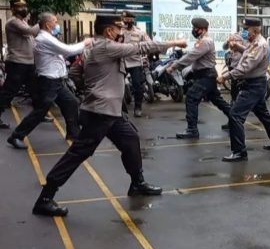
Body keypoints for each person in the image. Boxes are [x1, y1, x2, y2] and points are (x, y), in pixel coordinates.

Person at [31, 15, 187, 217]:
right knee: (78, 153)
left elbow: (77, 73)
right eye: (118, 29)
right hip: (100, 113)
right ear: (108, 31)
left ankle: (137, 183)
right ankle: (45, 198)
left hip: (111, 111)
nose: (121, 32)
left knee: (130, 139)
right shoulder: (105, 47)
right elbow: (140, 48)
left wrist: (92, 87)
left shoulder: (94, 48)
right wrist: (175, 42)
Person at [7, 13, 91, 149]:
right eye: (55, 21)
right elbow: (68, 50)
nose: (57, 24)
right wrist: (85, 43)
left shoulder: (48, 38)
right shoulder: (44, 39)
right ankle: (16, 136)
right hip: (48, 81)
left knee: (71, 103)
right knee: (40, 111)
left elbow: (62, 51)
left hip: (56, 80)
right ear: (47, 24)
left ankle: (73, 133)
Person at [217, 18, 270, 162]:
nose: (244, 32)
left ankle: (239, 152)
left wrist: (226, 76)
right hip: (255, 84)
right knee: (264, 115)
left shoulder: (260, 44)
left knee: (235, 115)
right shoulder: (254, 43)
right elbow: (249, 52)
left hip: (254, 85)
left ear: (254, 31)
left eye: (246, 29)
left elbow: (246, 67)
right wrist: (238, 46)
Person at [168, 18, 231, 139]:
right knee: (217, 100)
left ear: (202, 30)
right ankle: (235, 119)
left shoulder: (205, 41)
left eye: (195, 28)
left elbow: (191, 56)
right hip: (206, 75)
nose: (193, 30)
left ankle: (192, 130)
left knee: (191, 97)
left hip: (206, 76)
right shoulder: (202, 41)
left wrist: (174, 66)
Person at [0, 0, 39, 129]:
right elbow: (31, 32)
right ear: (12, 9)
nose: (23, 9)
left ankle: (40, 113)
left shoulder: (23, 22)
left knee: (35, 90)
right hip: (17, 63)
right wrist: (44, 22)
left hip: (28, 63)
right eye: (19, 7)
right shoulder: (13, 22)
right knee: (8, 92)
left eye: (24, 6)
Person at [120, 11, 152, 117]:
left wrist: (148, 53)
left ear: (133, 20)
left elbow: (149, 43)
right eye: (126, 19)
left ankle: (138, 107)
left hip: (135, 62)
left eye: (130, 19)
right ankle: (119, 108)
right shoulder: (118, 31)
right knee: (117, 85)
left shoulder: (140, 32)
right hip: (121, 61)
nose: (128, 21)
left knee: (138, 85)